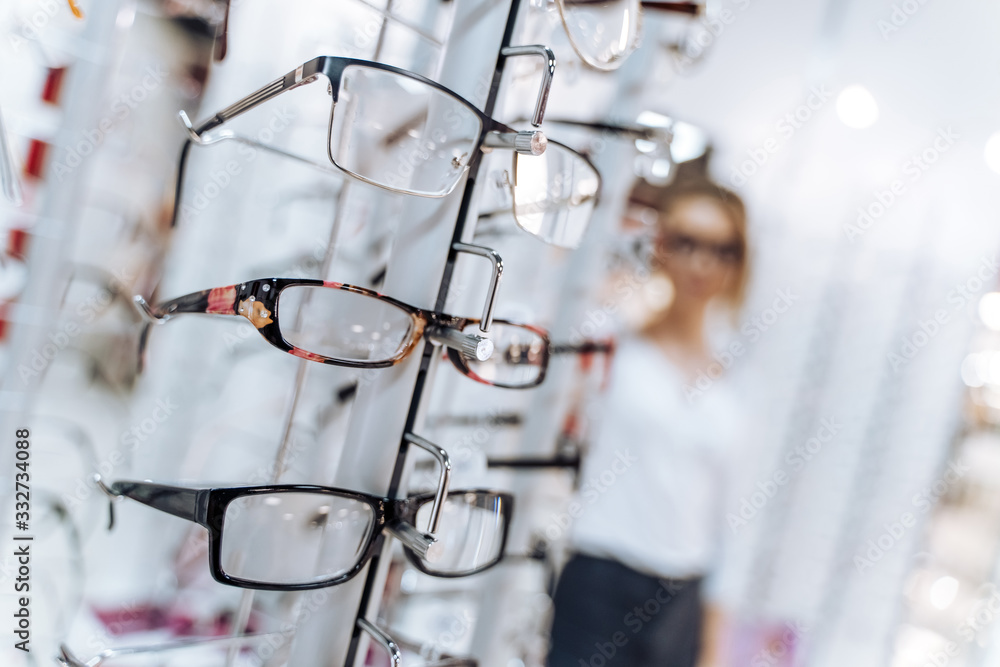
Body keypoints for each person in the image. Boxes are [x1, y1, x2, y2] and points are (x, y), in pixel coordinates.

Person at [547, 177, 751, 667]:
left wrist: (714, 643)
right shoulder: (614, 341)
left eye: (721, 250)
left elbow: (734, 522)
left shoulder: (740, 381)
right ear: (661, 246)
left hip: (683, 597)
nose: (702, 264)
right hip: (600, 574)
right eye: (686, 243)